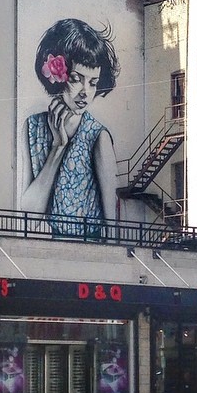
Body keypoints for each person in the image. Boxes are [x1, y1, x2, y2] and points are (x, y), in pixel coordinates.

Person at [22, 19, 120, 235]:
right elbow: (29, 219)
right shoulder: (33, 127)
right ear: (58, 77)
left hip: (90, 248)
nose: (85, 92)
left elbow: (111, 223)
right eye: (76, 79)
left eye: (93, 83)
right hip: (48, 247)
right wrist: (57, 148)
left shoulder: (97, 136)